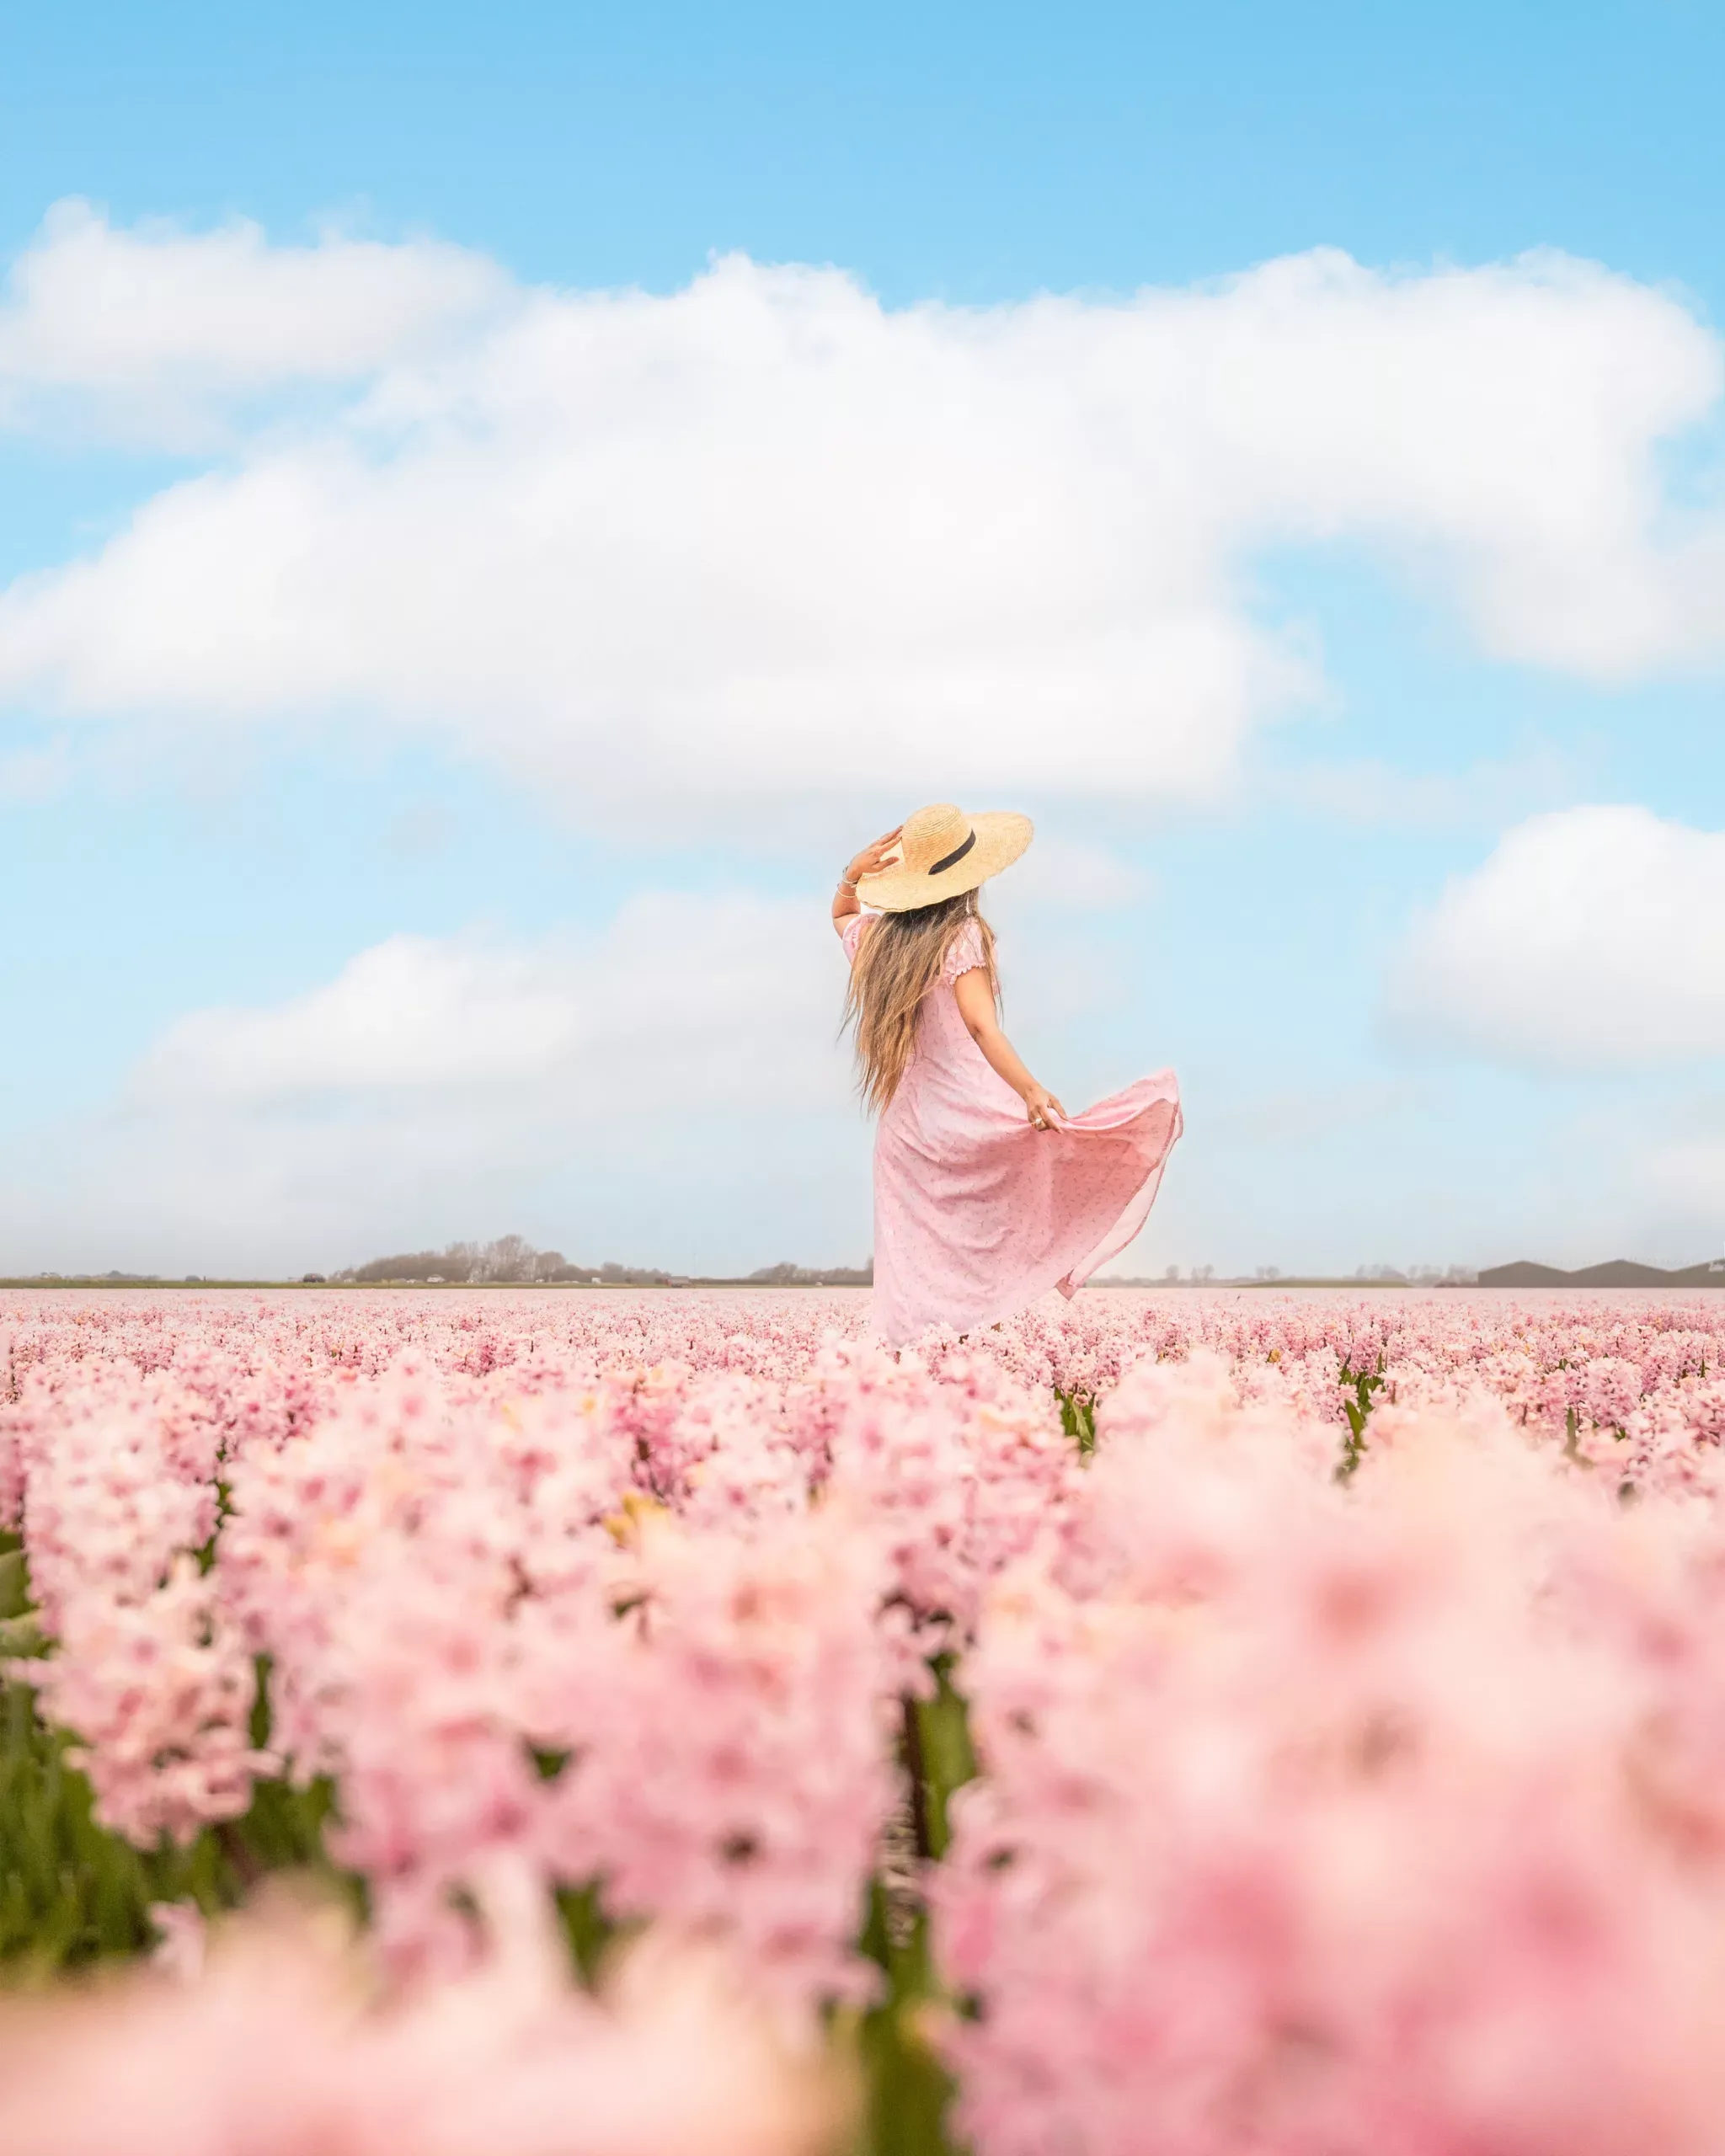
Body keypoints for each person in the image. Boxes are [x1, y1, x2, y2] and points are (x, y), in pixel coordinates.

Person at [835, 802, 1183, 1345]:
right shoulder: (963, 933)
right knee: (994, 1231)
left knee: (914, 1258)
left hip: (907, 1130)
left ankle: (912, 1365)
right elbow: (979, 1025)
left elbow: (841, 916)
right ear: (968, 877)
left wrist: (854, 873)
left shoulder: (879, 943)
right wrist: (1030, 1089)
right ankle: (969, 1358)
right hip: (968, 1115)